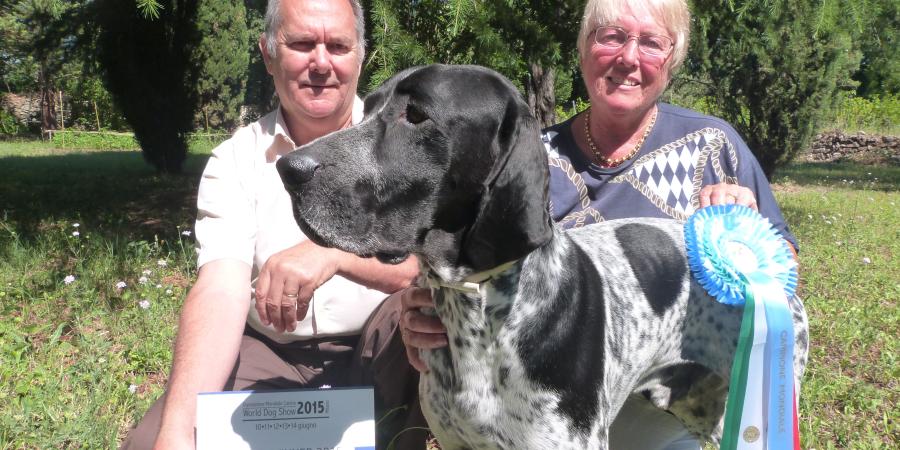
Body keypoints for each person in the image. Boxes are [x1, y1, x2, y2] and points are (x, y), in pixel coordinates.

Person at [399, 0, 803, 449]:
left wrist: (744, 236)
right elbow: (456, 261)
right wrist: (419, 305)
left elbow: (781, 276)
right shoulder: (532, 160)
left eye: (651, 43)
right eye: (610, 36)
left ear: (672, 61)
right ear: (584, 49)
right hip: (539, 404)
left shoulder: (713, 146)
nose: (629, 57)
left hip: (664, 406)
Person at [121, 1, 427, 449]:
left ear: (360, 55)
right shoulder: (235, 160)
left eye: (338, 45)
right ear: (268, 54)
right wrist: (177, 429)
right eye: (302, 43)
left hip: (385, 347)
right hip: (271, 353)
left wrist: (334, 254)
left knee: (425, 309)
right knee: (154, 441)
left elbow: (425, 265)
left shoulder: (403, 144)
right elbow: (220, 289)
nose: (321, 63)